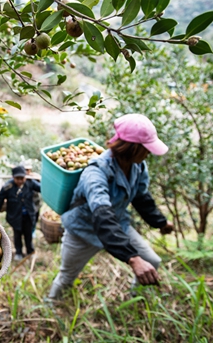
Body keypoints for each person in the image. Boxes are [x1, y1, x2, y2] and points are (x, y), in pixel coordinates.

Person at [48, 114, 174, 299]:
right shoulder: (95, 173)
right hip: (83, 229)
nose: (149, 153)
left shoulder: (138, 167)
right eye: (146, 148)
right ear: (133, 148)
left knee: (152, 261)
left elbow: (141, 197)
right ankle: (51, 303)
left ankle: (134, 299)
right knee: (66, 276)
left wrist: (160, 223)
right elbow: (102, 215)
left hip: (117, 224)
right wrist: (132, 258)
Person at [0, 165, 41, 261]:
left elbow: (43, 188)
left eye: (22, 178)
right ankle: (18, 252)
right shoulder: (7, 187)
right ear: (13, 177)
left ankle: (30, 251)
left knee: (28, 235)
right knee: (17, 235)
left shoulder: (30, 183)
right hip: (15, 217)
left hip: (28, 215)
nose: (19, 181)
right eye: (17, 178)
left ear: (25, 177)